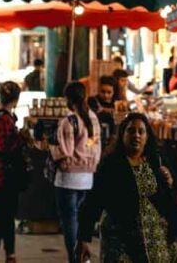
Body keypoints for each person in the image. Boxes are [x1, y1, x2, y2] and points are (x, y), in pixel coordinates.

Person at [75, 113, 177, 262]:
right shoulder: (111, 165)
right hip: (120, 239)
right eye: (131, 131)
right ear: (123, 134)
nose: (136, 135)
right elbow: (93, 201)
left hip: (155, 237)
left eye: (141, 131)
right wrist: (83, 239)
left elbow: (173, 190)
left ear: (147, 137)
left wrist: (170, 181)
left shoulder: (156, 160)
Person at [51, 82, 102, 263]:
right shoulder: (93, 118)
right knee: (81, 220)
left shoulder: (69, 121)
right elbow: (92, 144)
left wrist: (50, 148)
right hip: (87, 178)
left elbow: (65, 150)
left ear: (67, 99)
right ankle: (82, 256)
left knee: (70, 221)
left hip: (67, 178)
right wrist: (85, 156)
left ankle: (74, 258)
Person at [0, 81, 28, 263]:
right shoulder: (4, 119)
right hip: (2, 176)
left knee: (6, 217)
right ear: (16, 99)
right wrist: (22, 137)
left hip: (1, 176)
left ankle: (8, 254)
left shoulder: (3, 117)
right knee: (3, 218)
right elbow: (5, 147)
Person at [89, 75, 118, 143]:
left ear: (113, 92)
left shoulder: (117, 103)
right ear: (98, 89)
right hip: (95, 139)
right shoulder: (92, 101)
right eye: (103, 92)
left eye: (109, 92)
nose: (106, 95)